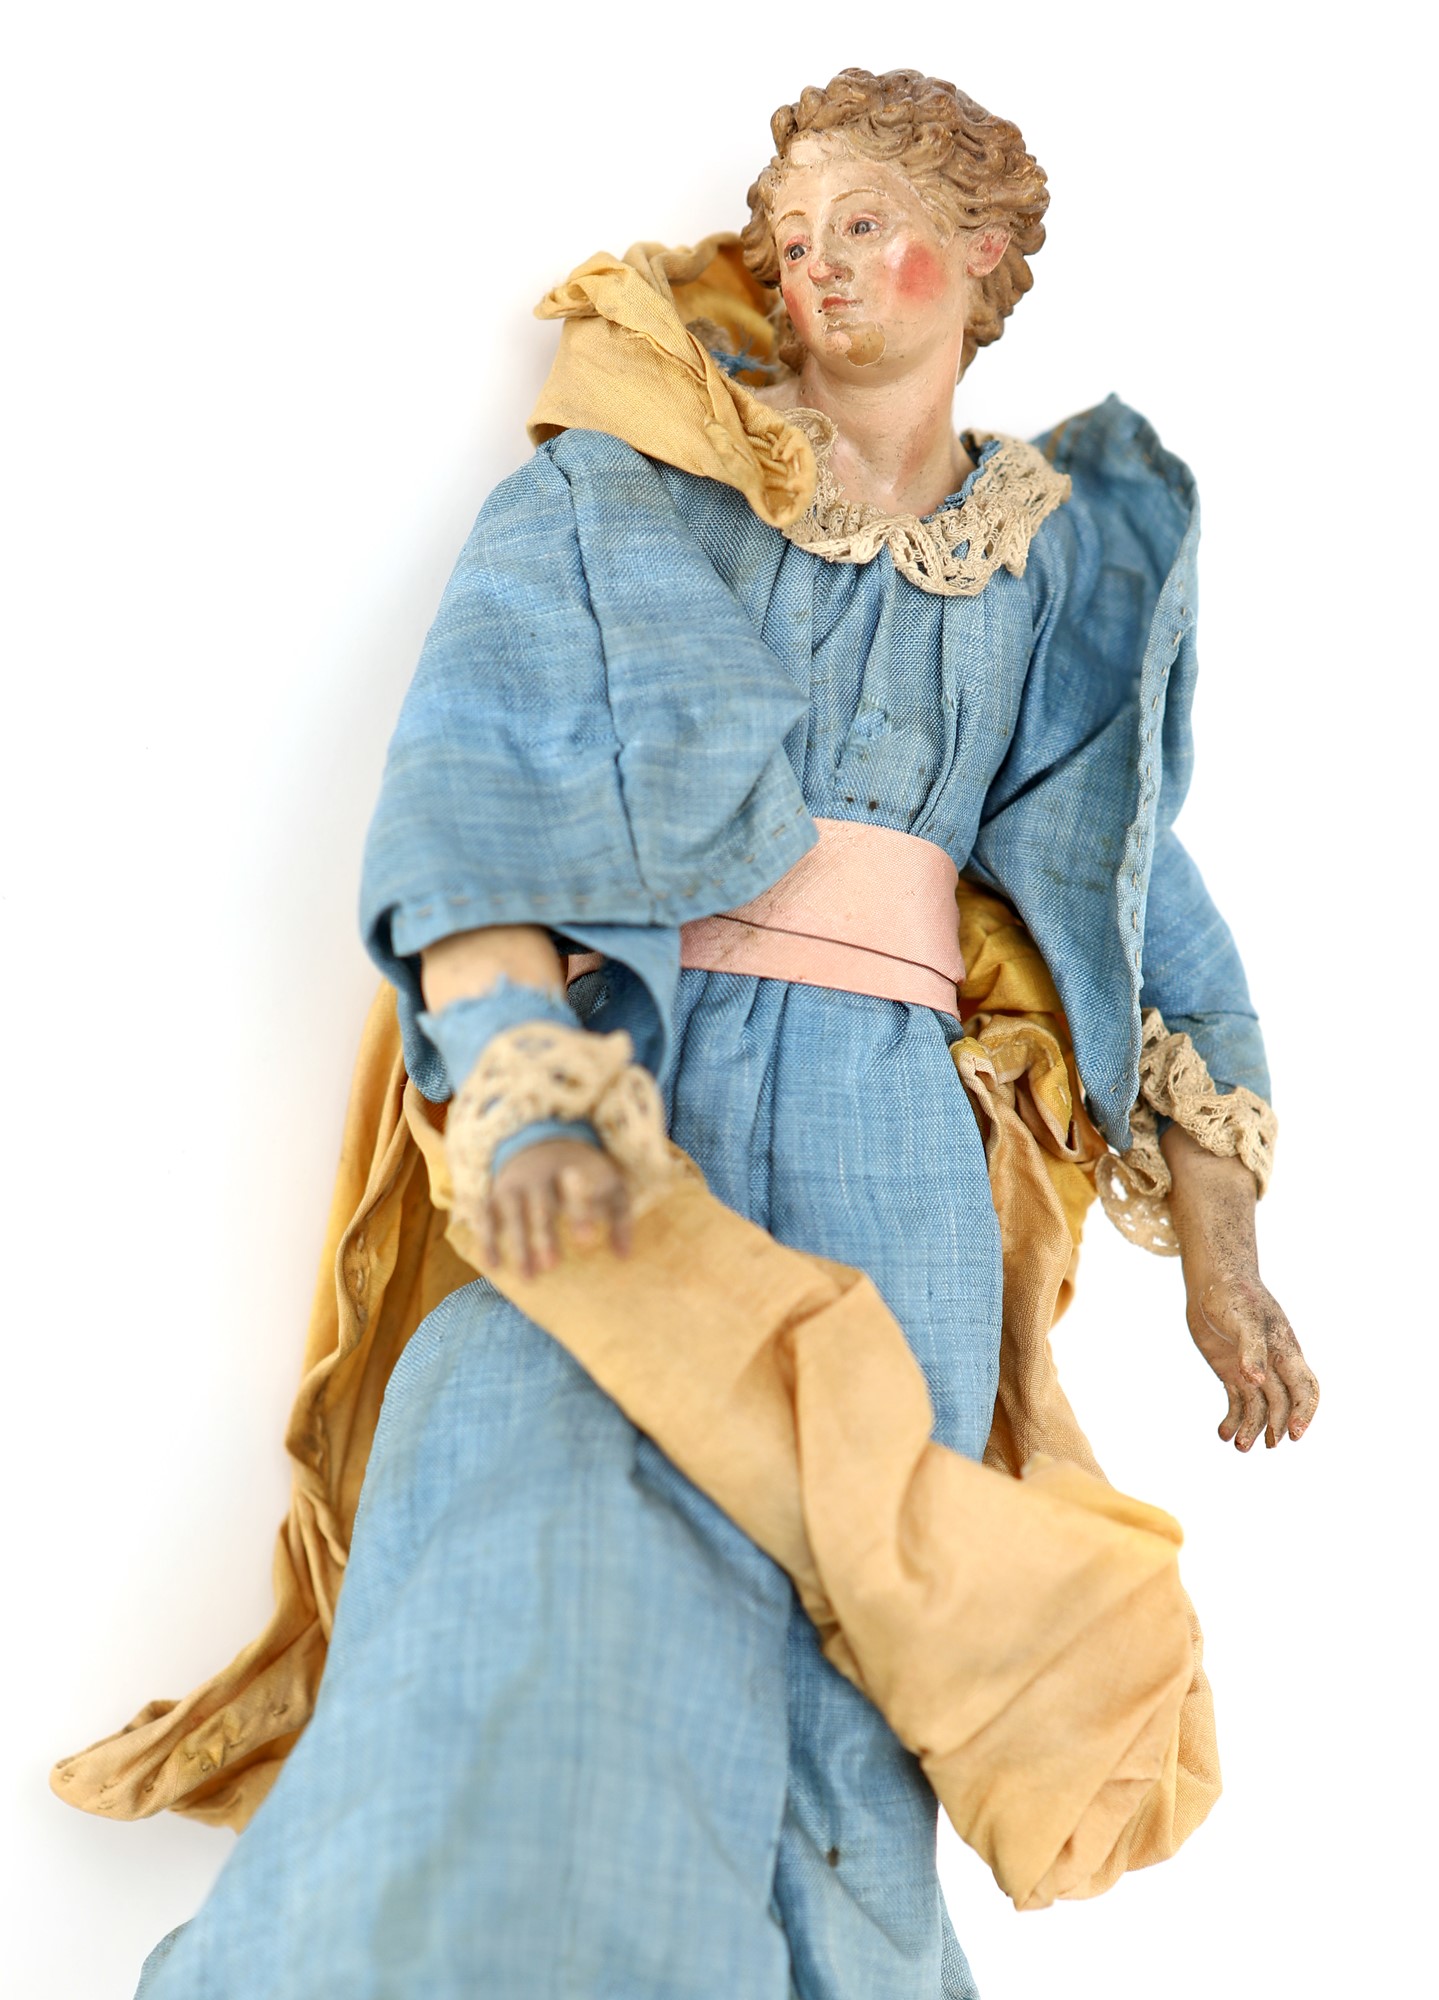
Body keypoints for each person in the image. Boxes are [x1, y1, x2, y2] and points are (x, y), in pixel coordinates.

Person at [102, 66, 1317, 1998]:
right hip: (635, 1104)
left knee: (855, 1672)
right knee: (534, 1537)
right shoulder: (638, 483)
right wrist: (522, 1073)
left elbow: (1139, 901)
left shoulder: (1049, 564)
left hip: (897, 1165)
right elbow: (480, 769)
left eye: (865, 225)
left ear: (984, 256)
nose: (814, 263)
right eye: (793, 231)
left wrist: (1226, 1261)